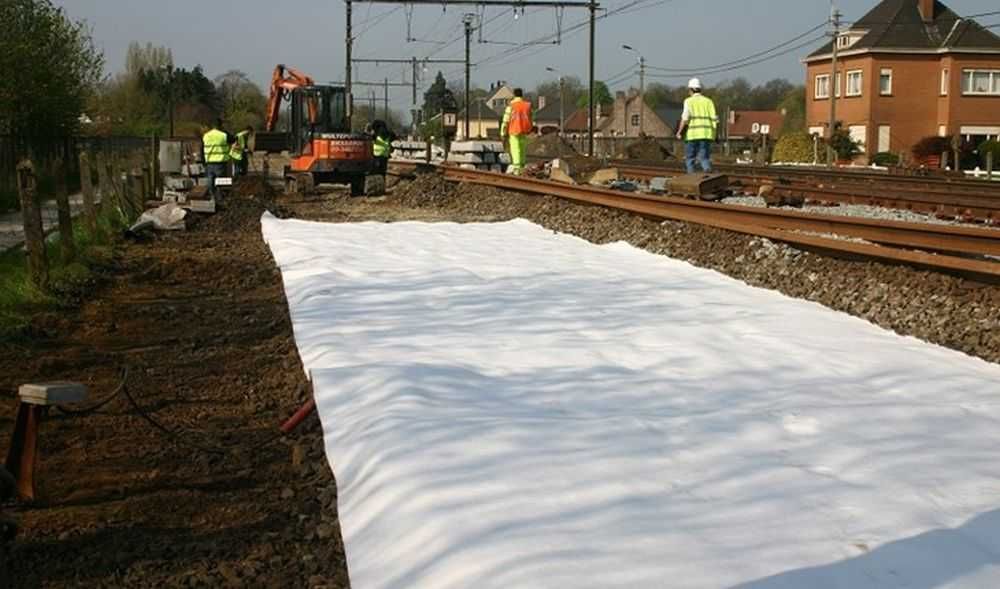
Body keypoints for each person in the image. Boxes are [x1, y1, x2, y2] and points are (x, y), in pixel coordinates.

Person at [675, 78, 719, 174]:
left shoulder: (688, 101)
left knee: (690, 158)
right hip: (706, 135)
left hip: (692, 135)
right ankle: (707, 171)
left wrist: (679, 132)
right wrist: (715, 135)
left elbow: (685, 118)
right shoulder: (709, 101)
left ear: (691, 90)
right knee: (704, 158)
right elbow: (715, 120)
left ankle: (691, 177)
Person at [500, 88, 533, 175]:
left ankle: (517, 169)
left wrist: (503, 133)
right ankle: (522, 167)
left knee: (515, 149)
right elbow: (530, 118)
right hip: (524, 130)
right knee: (522, 149)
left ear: (514, 95)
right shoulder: (527, 105)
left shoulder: (511, 106)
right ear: (522, 95)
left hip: (514, 130)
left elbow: (506, 120)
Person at [202, 118, 231, 200]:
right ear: (220, 125)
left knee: (210, 181)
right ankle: (220, 198)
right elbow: (233, 139)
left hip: (209, 163)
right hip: (220, 163)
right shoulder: (224, 135)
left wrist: (204, 162)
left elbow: (202, 149)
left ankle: (212, 197)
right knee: (220, 181)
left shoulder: (206, 136)